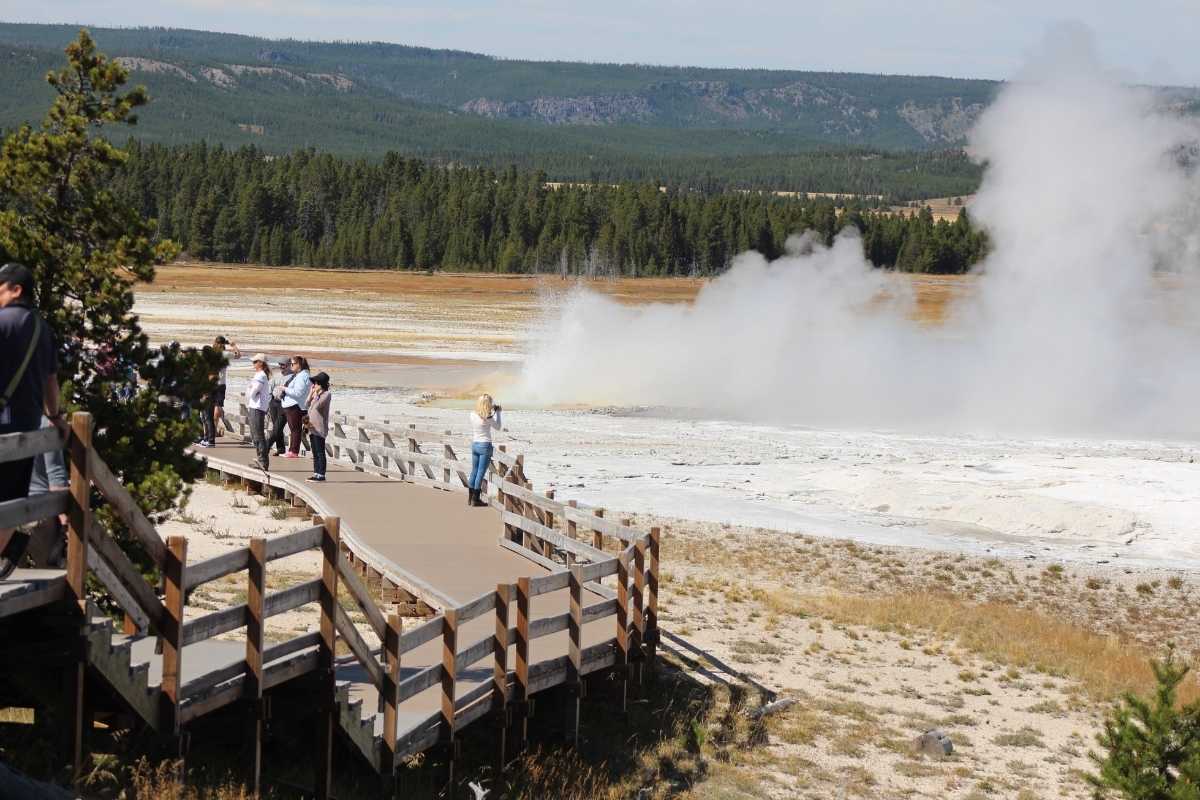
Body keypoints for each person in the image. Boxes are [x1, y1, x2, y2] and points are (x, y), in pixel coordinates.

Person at [0, 263, 63, 579]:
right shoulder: (43, 329)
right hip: (26, 429)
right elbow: (52, 381)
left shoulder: (2, 322)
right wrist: (55, 417)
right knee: (11, 501)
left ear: (16, 289)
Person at [467, 394, 502, 507]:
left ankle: (470, 498)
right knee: (480, 473)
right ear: (488, 404)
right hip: (485, 445)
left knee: (474, 471)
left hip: (475, 444)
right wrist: (498, 413)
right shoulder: (488, 417)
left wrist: (491, 411)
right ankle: (475, 499)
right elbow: (498, 427)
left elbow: (481, 413)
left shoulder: (472, 414)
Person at [274, 355, 311, 458]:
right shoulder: (300, 374)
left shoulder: (303, 375)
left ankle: (293, 451)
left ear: (299, 365)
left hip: (295, 405)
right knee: (294, 429)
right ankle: (292, 451)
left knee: (295, 429)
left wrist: (284, 389)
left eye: (293, 364)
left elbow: (298, 392)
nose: (291, 366)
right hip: (292, 405)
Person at [245, 354, 272, 471]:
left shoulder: (261, 376)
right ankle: (261, 460)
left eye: (255, 362)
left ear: (261, 363)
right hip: (255, 406)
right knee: (255, 434)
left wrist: (250, 388)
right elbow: (250, 391)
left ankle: (263, 461)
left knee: (258, 434)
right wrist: (250, 388)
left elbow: (251, 392)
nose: (253, 364)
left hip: (257, 408)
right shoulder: (259, 375)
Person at [210, 335, 240, 440]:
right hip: (220, 383)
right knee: (217, 405)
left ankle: (210, 430)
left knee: (212, 406)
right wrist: (233, 345)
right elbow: (238, 355)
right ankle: (213, 428)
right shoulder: (225, 354)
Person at [305, 372, 331, 483]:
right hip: (312, 428)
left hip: (319, 429)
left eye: (316, 383)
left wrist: (316, 394)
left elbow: (319, 406)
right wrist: (311, 393)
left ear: (321, 384)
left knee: (320, 452)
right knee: (315, 452)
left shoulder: (326, 395)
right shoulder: (317, 395)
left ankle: (321, 474)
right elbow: (306, 404)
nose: (314, 385)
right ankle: (316, 472)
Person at [267, 358, 292, 456]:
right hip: (274, 402)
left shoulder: (293, 377)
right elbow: (269, 388)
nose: (281, 367)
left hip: (284, 404)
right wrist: (269, 402)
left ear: (289, 365)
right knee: (277, 427)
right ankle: (280, 448)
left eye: (283, 365)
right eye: (280, 365)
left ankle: (267, 445)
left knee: (278, 426)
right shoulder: (276, 376)